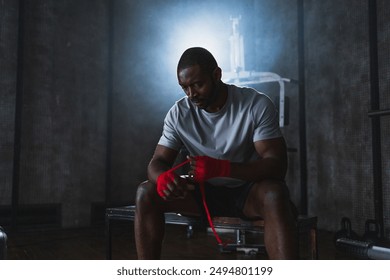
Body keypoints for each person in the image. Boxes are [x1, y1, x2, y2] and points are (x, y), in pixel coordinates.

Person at [134, 47, 298, 259]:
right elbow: (157, 162)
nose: (191, 94)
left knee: (275, 193)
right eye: (184, 88)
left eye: (197, 84)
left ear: (217, 75)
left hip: (247, 193)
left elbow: (277, 165)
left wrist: (222, 168)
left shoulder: (255, 104)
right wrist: (163, 177)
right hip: (203, 193)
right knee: (146, 192)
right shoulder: (179, 113)